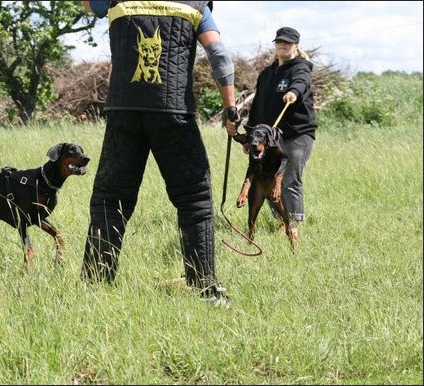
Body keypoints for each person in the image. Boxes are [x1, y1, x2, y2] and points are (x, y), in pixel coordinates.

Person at [80, 0, 239, 305]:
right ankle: (206, 288)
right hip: (172, 112)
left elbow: (89, 5)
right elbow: (218, 54)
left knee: (110, 198)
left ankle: (95, 286)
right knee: (195, 199)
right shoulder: (194, 4)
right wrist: (230, 107)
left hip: (123, 110)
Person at [246, 26, 317, 240]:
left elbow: (301, 83)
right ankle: (281, 218)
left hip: (298, 134)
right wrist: (250, 136)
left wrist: (293, 93)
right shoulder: (267, 74)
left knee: (288, 176)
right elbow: (257, 105)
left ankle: (293, 222)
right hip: (271, 137)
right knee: (264, 176)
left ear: (296, 45)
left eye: (287, 42)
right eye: (279, 42)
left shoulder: (301, 68)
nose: (282, 45)